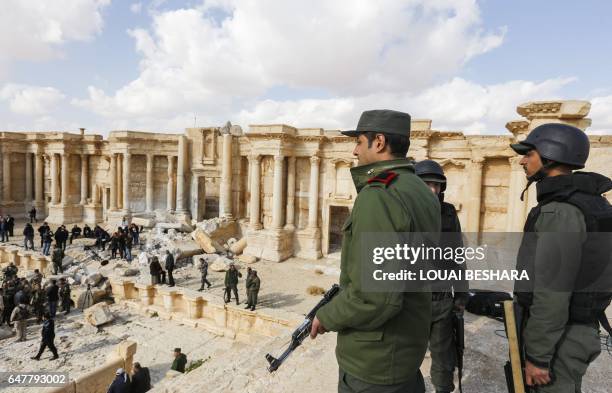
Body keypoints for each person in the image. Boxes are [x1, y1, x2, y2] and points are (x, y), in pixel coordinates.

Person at [311, 110, 441, 393]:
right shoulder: (420, 189)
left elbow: (377, 297)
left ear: (379, 142)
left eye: (359, 141)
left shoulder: (379, 195)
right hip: (405, 348)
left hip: (374, 361)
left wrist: (327, 316)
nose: (355, 150)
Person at [510, 123, 612, 392]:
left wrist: (538, 358)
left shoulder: (561, 211)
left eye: (528, 153)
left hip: (560, 339)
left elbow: (552, 291)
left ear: (550, 155)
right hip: (575, 329)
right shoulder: (592, 201)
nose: (522, 160)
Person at [415, 159, 468, 393]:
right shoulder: (406, 210)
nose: (433, 190)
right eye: (427, 185)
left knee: (444, 356)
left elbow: (458, 253)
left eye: (437, 185)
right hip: (412, 298)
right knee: (406, 355)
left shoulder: (448, 213)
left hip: (441, 298)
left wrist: (462, 293)